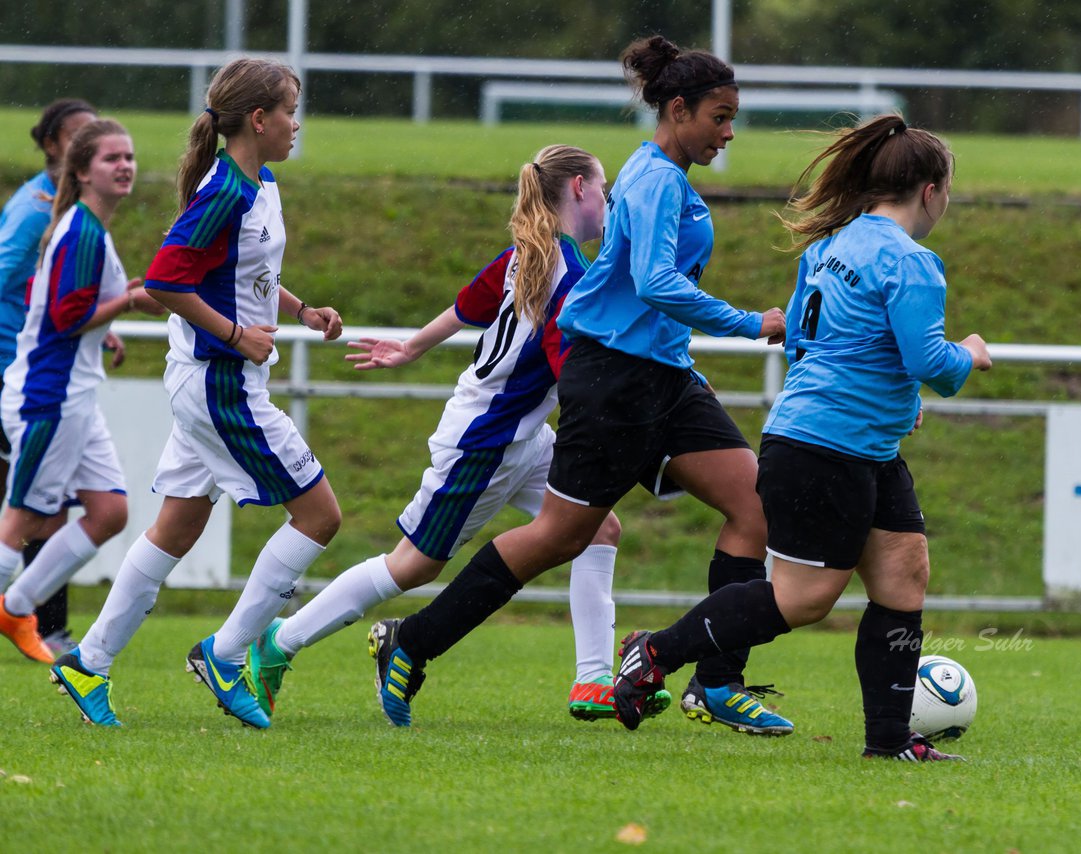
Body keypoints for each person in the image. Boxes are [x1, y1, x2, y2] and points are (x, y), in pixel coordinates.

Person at [365, 35, 790, 734]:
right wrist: (751, 323)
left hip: (665, 378)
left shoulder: (665, 179)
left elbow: (641, 292)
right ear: (677, 110)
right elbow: (655, 283)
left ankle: (717, 681)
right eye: (719, 116)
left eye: (732, 116)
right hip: (614, 381)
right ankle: (413, 641)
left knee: (756, 507)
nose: (729, 131)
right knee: (560, 537)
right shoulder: (654, 179)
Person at [610, 114, 993, 761]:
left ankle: (891, 743)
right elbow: (933, 362)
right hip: (827, 449)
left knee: (904, 577)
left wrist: (895, 405)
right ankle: (654, 652)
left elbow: (810, 343)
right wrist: (973, 354)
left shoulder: (831, 248)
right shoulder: (912, 260)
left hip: (855, 443)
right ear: (930, 191)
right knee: (803, 598)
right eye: (946, 193)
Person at [245, 144, 671, 724]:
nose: (610, 204)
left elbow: (467, 305)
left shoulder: (528, 255)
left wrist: (412, 345)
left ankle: (592, 680)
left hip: (520, 435)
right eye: (605, 191)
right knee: (411, 566)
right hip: (485, 441)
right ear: (577, 188)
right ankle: (280, 643)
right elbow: (569, 372)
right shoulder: (566, 275)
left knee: (600, 529)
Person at [48, 58, 342, 729]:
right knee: (320, 517)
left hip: (210, 377)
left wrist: (300, 311)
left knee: (175, 528)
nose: (298, 125)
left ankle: (87, 663)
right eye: (290, 112)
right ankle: (227, 652)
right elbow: (166, 282)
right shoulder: (225, 194)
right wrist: (238, 336)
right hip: (220, 382)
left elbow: (239, 272)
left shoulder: (258, 181)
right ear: (259, 120)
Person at [0, 118, 163, 664]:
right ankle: (13, 604)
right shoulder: (83, 231)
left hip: (74, 396)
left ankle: (17, 606)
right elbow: (67, 319)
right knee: (22, 520)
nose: (124, 166)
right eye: (111, 158)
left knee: (110, 510)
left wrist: (110, 319)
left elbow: (56, 302)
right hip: (49, 397)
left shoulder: (87, 227)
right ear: (82, 170)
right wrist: (131, 303)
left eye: (129, 157)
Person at [0, 99, 110, 655]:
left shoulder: (71, 214)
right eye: (82, 137)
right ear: (54, 147)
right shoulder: (34, 211)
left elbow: (58, 292)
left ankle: (37, 617)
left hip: (43, 371)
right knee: (32, 510)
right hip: (23, 375)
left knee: (73, 506)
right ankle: (37, 618)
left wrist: (97, 325)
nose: (94, 147)